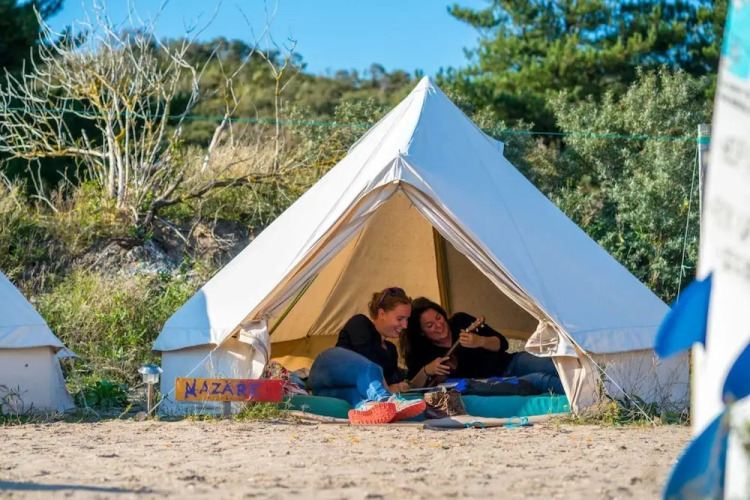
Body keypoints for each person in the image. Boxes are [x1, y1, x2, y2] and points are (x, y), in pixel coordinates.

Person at [308, 287, 426, 425]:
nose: (405, 325)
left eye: (407, 319)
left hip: (329, 391)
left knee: (360, 396)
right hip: (325, 369)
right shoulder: (360, 323)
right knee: (371, 368)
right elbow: (366, 361)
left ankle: (367, 408)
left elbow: (390, 380)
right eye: (400, 319)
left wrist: (402, 385)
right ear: (381, 313)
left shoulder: (391, 350)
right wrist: (388, 390)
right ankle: (386, 400)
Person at [402, 297, 564, 394]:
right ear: (421, 332)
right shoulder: (421, 352)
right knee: (543, 380)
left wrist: (479, 341)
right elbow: (414, 386)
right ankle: (580, 399)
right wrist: (427, 370)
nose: (438, 325)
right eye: (430, 325)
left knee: (554, 363)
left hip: (509, 363)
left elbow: (502, 343)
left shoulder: (460, 321)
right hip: (492, 383)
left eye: (439, 318)